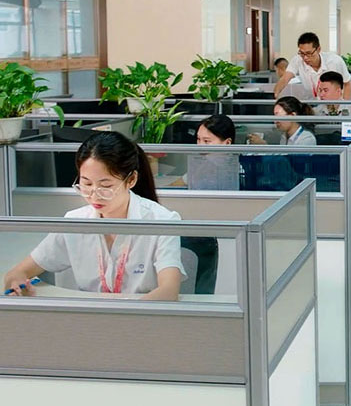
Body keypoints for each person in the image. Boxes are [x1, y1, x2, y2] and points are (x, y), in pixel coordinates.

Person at [3, 132, 185, 300]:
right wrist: (16, 282)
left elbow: (169, 291)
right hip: (88, 319)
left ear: (131, 180)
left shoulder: (162, 221)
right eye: (86, 184)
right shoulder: (75, 222)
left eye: (106, 186)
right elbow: (18, 272)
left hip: (144, 319)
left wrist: (122, 317)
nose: (94, 195)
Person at [185, 114, 236, 293]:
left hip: (212, 232)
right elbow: (185, 180)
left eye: (207, 141)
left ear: (227, 143)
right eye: (198, 140)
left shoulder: (227, 170)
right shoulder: (203, 162)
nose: (200, 146)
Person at [273, 32, 351, 99]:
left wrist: (344, 105)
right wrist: (275, 94)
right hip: (314, 104)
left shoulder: (335, 61)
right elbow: (284, 79)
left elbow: (347, 84)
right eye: (302, 53)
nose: (305, 58)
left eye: (309, 53)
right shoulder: (297, 60)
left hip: (334, 103)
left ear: (318, 49)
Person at [249, 96, 317, 146]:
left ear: (292, 116)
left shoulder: (306, 139)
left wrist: (264, 146)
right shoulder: (284, 136)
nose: (275, 121)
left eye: (278, 116)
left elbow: (290, 160)